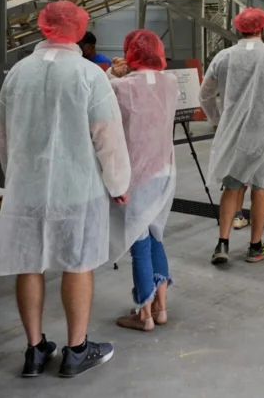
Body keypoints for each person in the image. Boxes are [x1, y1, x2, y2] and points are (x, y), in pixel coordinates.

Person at [0, 0, 132, 379]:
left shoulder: (18, 73)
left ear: (43, 28)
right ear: (79, 31)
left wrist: (17, 175)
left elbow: (3, 134)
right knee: (78, 262)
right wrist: (118, 183)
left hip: (27, 186)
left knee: (28, 262)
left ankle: (35, 350)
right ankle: (76, 349)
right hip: (77, 186)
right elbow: (107, 137)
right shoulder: (89, 75)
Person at [200, 8, 264, 265]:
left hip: (233, 133)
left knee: (233, 187)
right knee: (260, 188)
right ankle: (255, 247)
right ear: (263, 29)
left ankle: (222, 243)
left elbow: (205, 94)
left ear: (239, 29)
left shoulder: (223, 57)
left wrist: (217, 119)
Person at [109, 30, 178, 333]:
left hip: (136, 173)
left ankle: (144, 312)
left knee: (138, 240)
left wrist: (114, 71)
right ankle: (161, 307)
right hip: (165, 169)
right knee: (156, 235)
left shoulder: (121, 87)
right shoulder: (172, 82)